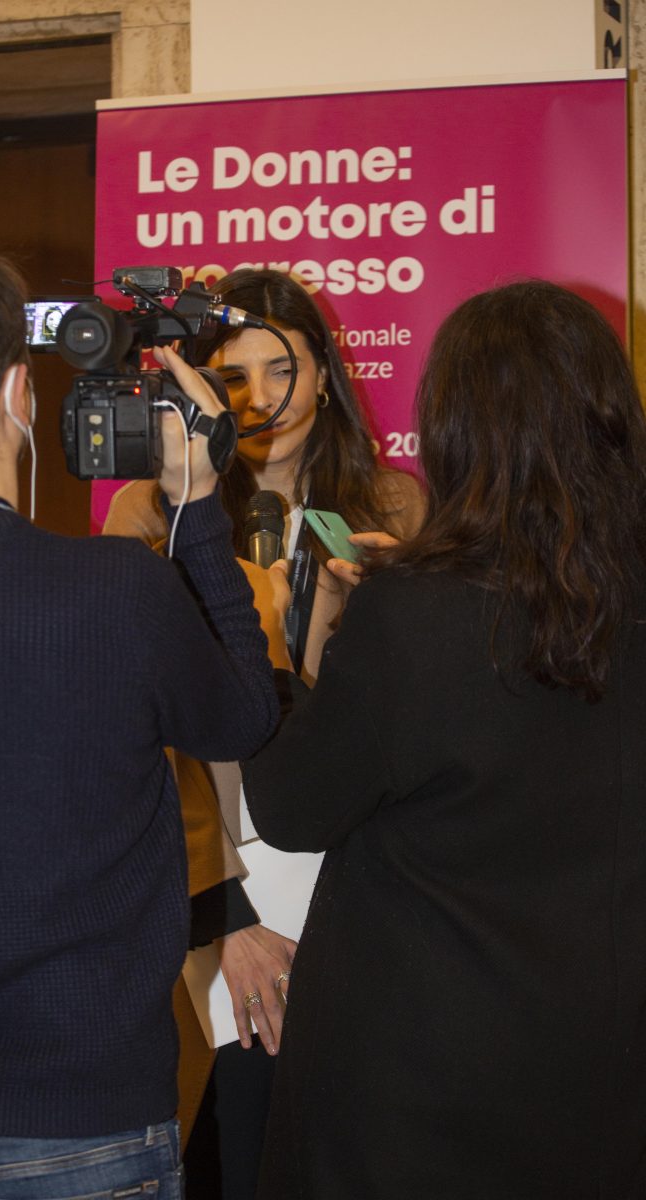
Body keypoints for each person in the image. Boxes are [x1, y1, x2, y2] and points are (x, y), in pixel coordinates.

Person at [0, 236, 278, 1200]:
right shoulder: (112, 590)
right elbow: (243, 718)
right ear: (18, 394)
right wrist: (197, 508)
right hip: (77, 1121)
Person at [241, 279, 646, 1200]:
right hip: (602, 1080)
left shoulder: (416, 617)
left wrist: (268, 652)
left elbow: (294, 807)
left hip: (412, 1092)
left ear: (458, 430)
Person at [104, 267, 425, 1198]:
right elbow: (136, 737)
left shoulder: (396, 509)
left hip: (363, 871)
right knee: (236, 1127)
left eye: (282, 369)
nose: (259, 400)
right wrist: (226, 918)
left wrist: (399, 608)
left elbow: (421, 719)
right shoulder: (149, 513)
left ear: (325, 372)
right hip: (216, 877)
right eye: (233, 377)